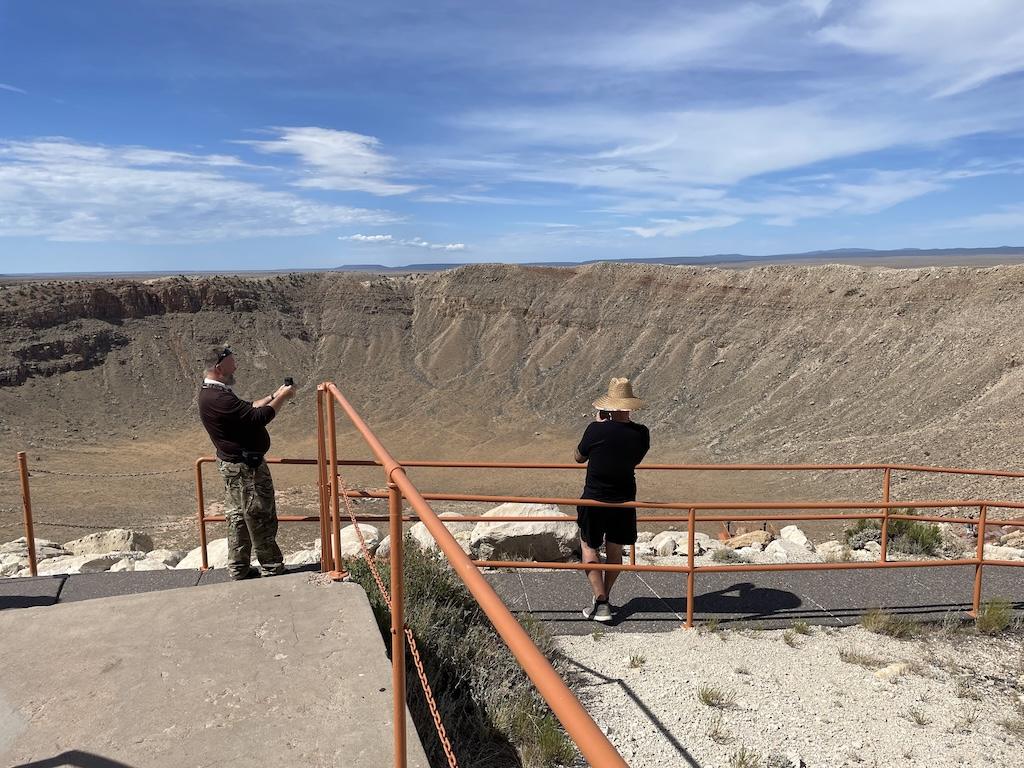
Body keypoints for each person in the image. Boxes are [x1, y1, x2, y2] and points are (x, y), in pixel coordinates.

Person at [198, 346, 295, 580]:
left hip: (234, 465)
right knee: (259, 514)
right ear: (219, 368)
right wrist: (283, 397)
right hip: (246, 468)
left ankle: (239, 567)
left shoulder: (213, 393)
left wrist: (273, 395)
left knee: (239, 516)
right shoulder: (219, 397)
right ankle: (271, 566)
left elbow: (248, 406)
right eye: (232, 362)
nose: (237, 367)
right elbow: (258, 417)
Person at [574, 377, 649, 622]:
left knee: (589, 547)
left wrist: (597, 426)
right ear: (629, 406)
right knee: (615, 550)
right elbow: (633, 461)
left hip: (594, 499)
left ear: (607, 407)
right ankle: (604, 599)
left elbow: (578, 457)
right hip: (624, 500)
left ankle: (601, 600)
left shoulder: (596, 430)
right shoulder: (641, 434)